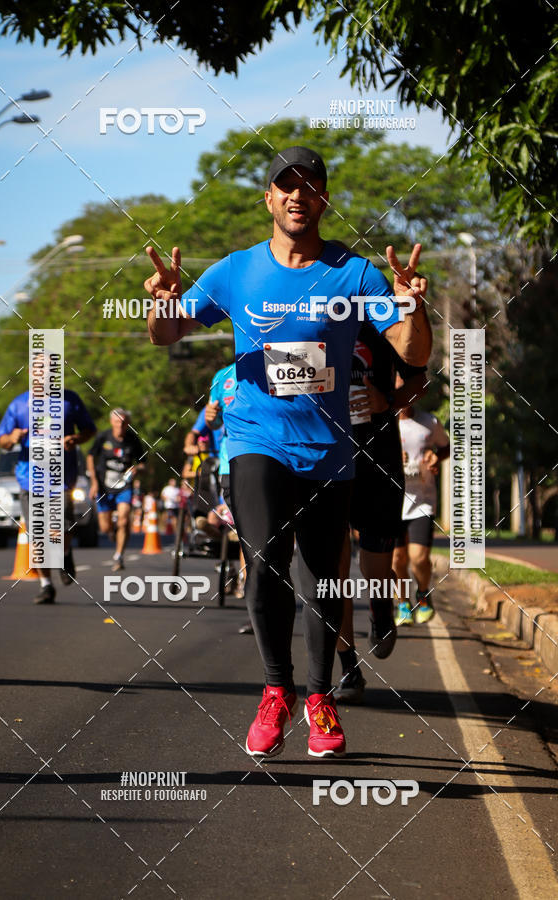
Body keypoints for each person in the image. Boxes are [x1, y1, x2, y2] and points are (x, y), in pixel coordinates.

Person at [145, 145, 431, 758]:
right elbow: (169, 334)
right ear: (269, 198)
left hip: (330, 449)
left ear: (324, 199)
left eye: (311, 185)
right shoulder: (234, 271)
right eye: (287, 185)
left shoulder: (354, 275)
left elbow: (414, 351)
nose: (299, 195)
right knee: (266, 555)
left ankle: (320, 697)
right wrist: (162, 305)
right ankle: (276, 693)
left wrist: (413, 307)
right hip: (256, 438)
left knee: (324, 577)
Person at [333, 319, 428, 703]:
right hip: (321, 456)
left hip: (377, 460)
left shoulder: (383, 327)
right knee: (331, 571)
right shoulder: (302, 321)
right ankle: (348, 668)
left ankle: (382, 610)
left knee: (375, 568)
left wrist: (386, 402)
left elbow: (419, 379)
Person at [0, 373, 96, 604]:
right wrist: (12, 436)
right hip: (29, 479)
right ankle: (46, 586)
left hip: (61, 479)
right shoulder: (19, 404)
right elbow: (2, 439)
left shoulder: (70, 400)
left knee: (60, 531)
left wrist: (75, 439)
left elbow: (90, 430)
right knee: (38, 535)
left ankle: (65, 554)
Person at [392, 403, 450, 625]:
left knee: (418, 558)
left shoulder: (430, 422)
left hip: (422, 502)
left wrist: (436, 457)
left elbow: (445, 448)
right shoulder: (381, 423)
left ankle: (423, 595)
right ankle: (404, 604)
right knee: (397, 559)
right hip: (393, 502)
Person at [205, 363, 246, 603]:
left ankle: (249, 584)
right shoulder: (223, 376)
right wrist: (211, 418)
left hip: (268, 458)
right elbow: (214, 421)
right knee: (246, 530)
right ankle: (247, 582)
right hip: (230, 463)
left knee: (250, 531)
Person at [87, 408, 145, 571]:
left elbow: (143, 462)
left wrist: (137, 469)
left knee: (124, 519)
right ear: (112, 422)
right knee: (105, 527)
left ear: (128, 424)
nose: (120, 425)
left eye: (124, 422)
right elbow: (91, 456)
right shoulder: (103, 437)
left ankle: (118, 556)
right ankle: (112, 532)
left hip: (124, 486)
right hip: (104, 486)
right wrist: (94, 482)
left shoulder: (133, 439)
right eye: (117, 421)